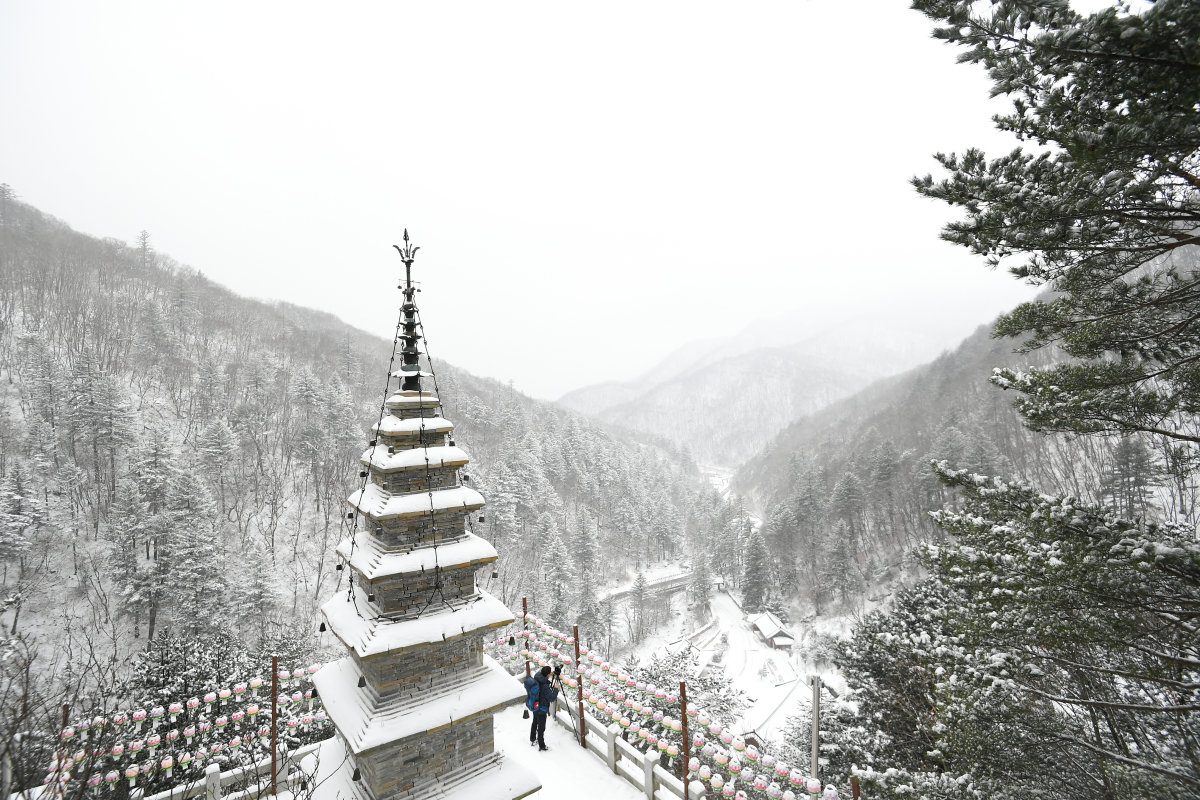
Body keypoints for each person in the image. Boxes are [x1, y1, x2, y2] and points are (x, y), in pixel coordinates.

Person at [525, 665, 558, 751]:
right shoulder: (545, 686)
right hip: (542, 709)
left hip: (535, 705)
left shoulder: (537, 676)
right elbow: (552, 698)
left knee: (534, 723)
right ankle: (542, 745)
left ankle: (532, 739)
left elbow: (543, 673)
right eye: (549, 674)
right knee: (541, 728)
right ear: (547, 675)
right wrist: (556, 689)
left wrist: (551, 673)